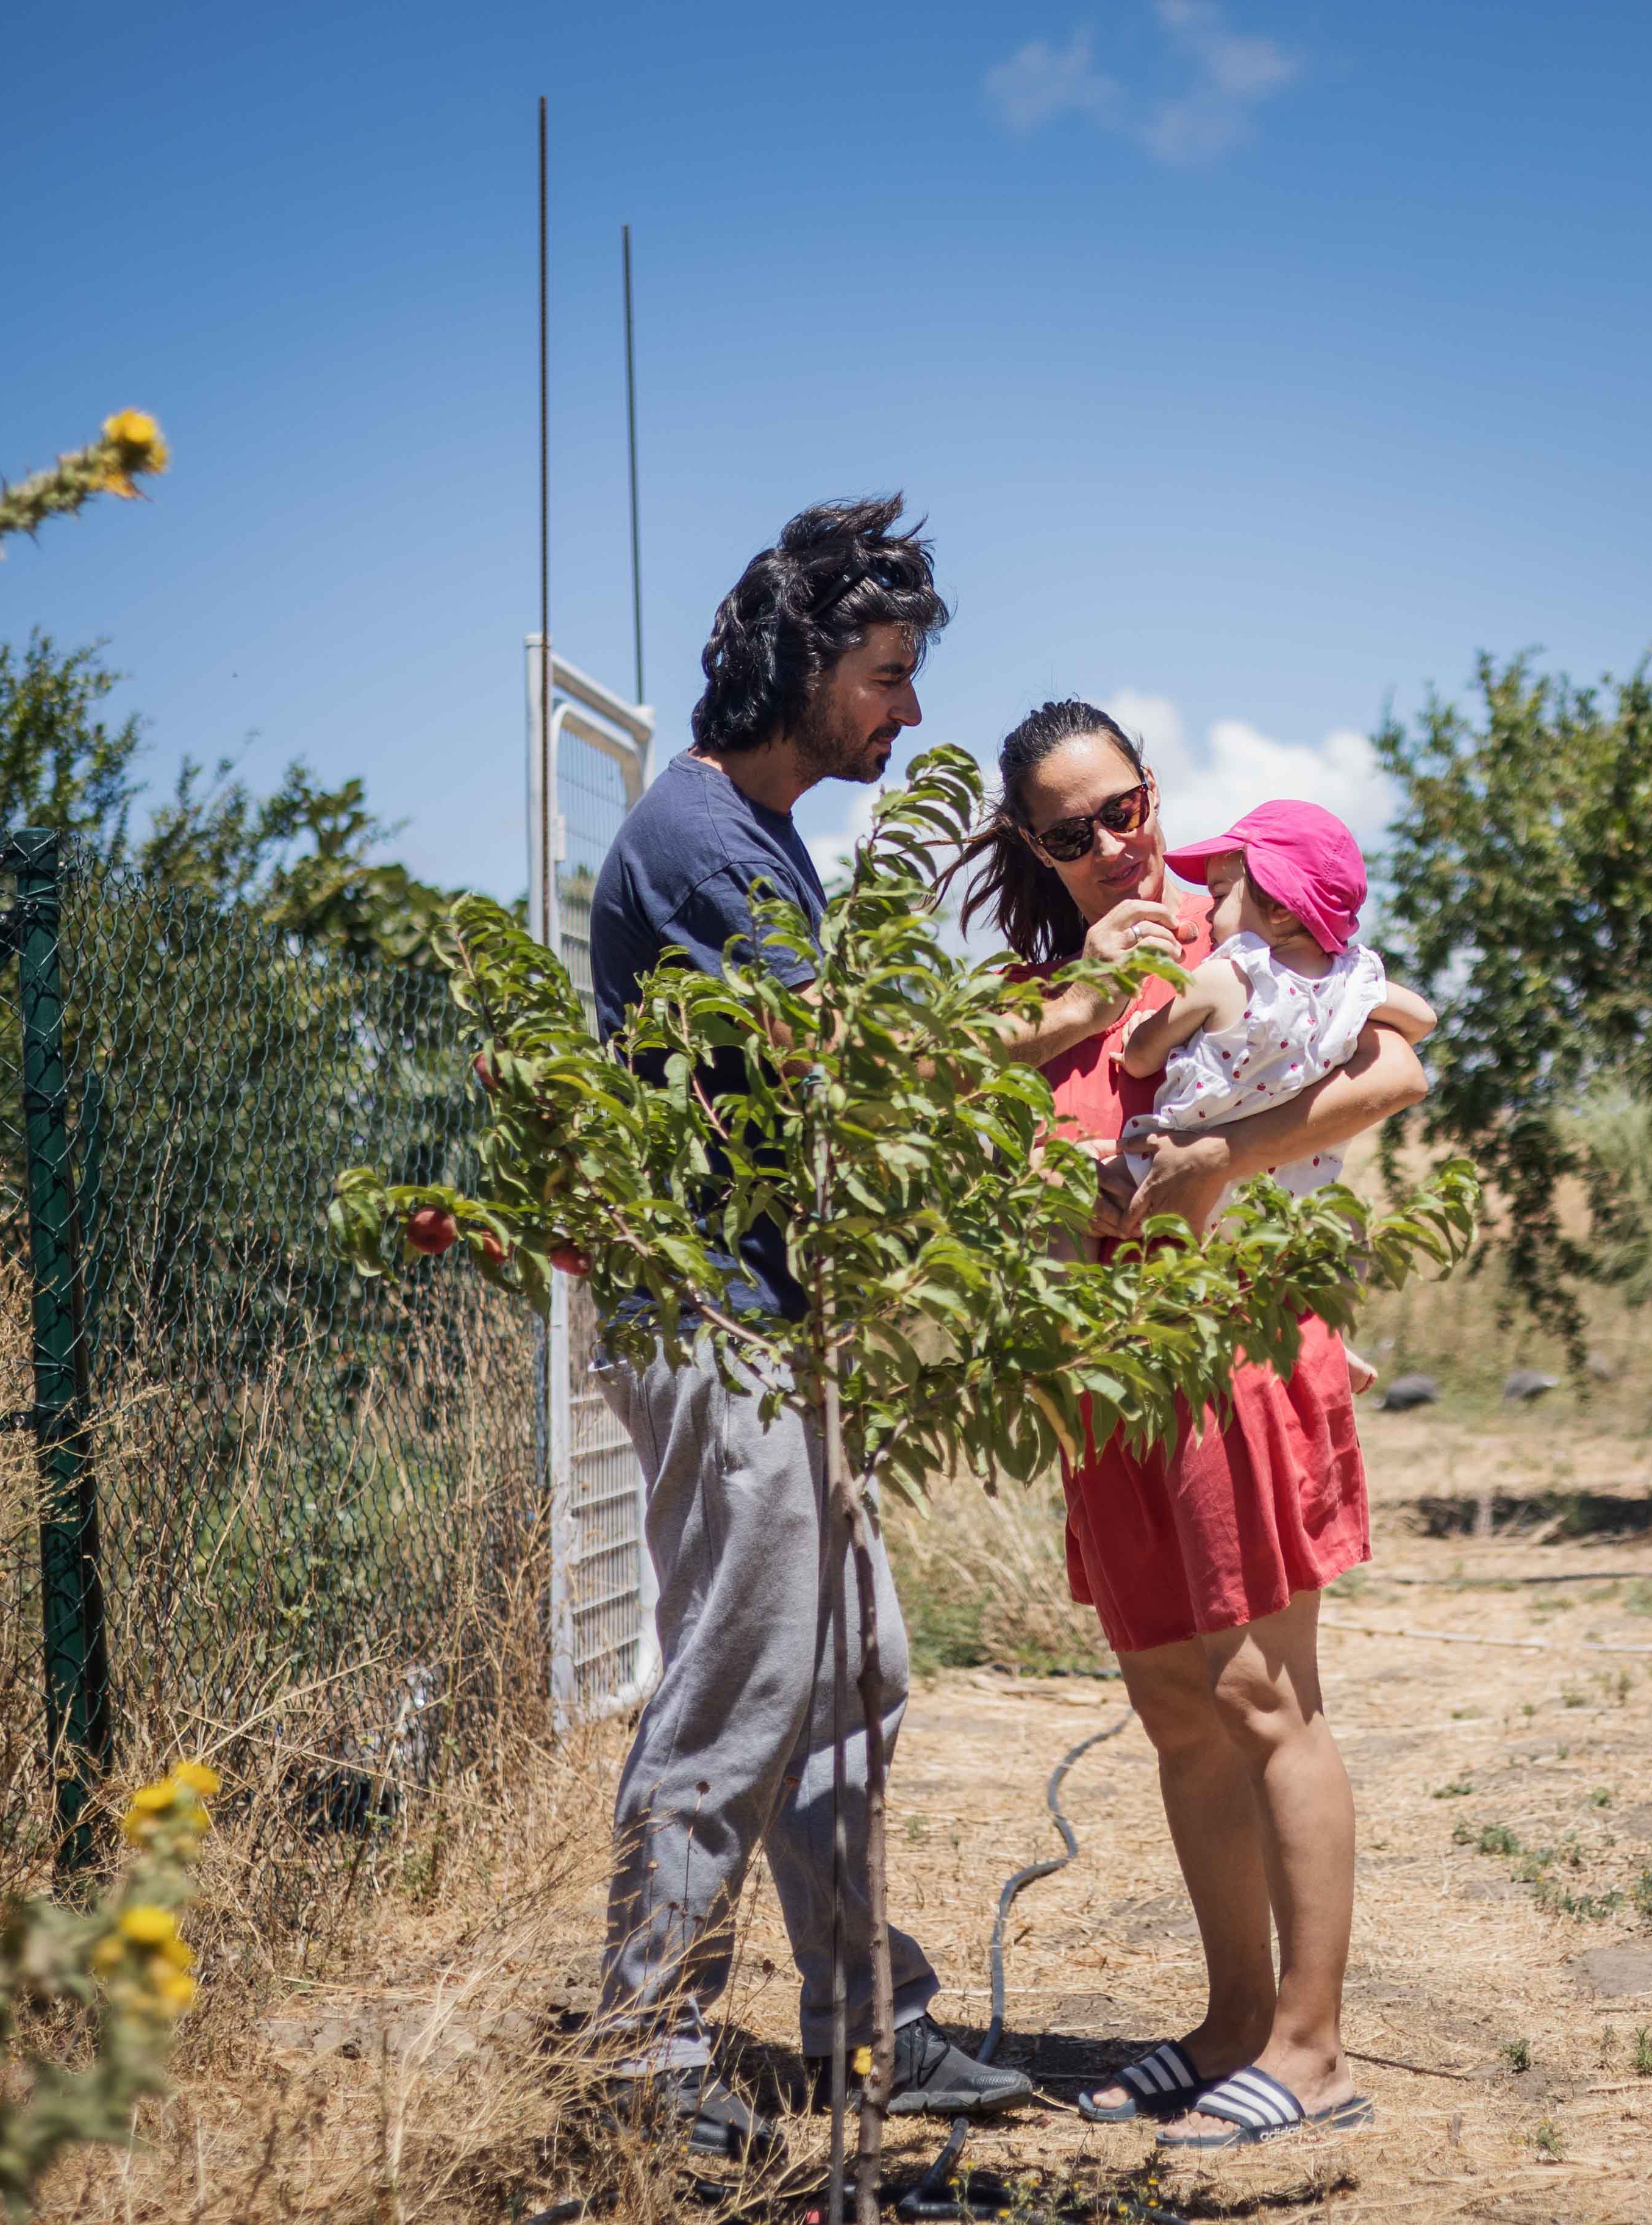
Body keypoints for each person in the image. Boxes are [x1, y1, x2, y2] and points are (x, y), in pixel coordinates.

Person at [582, 497, 1031, 2157]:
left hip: (768, 1313)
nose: (907, 715)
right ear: (800, 663)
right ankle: (639, 2051)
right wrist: (1053, 1036)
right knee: (745, 1681)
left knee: (853, 1667)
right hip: (713, 1313)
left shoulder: (757, 840)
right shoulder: (699, 840)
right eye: (888, 676)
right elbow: (842, 1077)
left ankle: (864, 2026)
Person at [961, 701, 1431, 2151]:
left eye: (1124, 812)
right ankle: (1230, 2025)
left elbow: (1398, 1056)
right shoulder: (1027, 994)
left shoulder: (1231, 910)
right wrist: (1085, 1012)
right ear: (1027, 849)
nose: (1110, 848)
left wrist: (1217, 1156)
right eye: (1068, 833)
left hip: (1226, 1345)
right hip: (1100, 1374)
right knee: (1173, 1707)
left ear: (1153, 800)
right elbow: (958, 1123)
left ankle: (1309, 2048)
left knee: (1262, 1696)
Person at [1116, 801, 1434, 1395]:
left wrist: (1136, 1030)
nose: (1208, 909)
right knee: (1328, 1240)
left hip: (1186, 1167)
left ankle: (1147, 1329)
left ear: (1281, 908)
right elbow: (1423, 1018)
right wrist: (1349, 997)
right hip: (1288, 1194)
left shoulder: (1223, 975)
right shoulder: (1348, 984)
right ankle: (1332, 1340)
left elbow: (1142, 1056)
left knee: (1104, 1202)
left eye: (1219, 894)